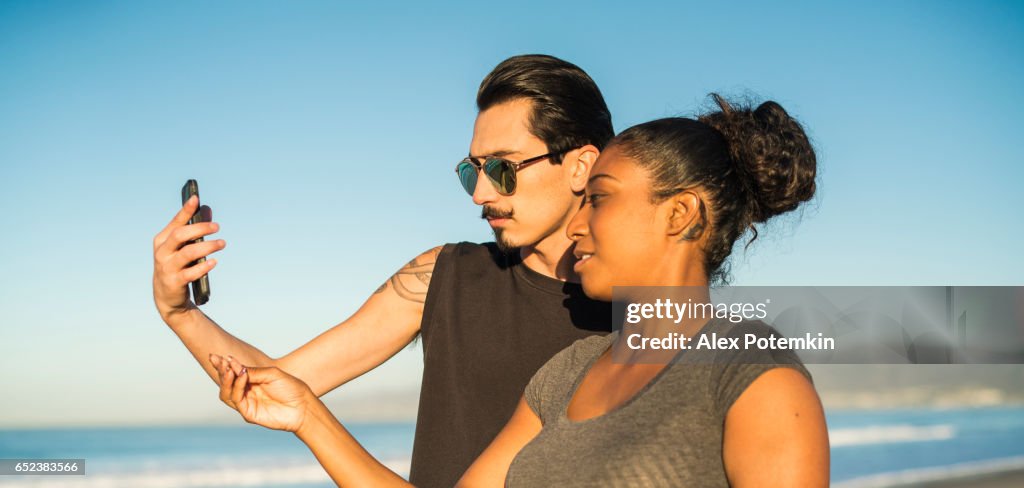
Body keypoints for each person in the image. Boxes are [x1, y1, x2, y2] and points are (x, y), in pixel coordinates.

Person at [210, 94, 830, 486]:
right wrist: (310, 418)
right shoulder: (566, 375)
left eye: (601, 201)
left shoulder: (751, 374)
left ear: (681, 215)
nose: (579, 223)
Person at [151, 54, 615, 487]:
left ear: (581, 166)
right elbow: (272, 385)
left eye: (503, 168)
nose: (480, 194)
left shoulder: (656, 309)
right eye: (473, 171)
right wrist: (179, 312)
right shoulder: (442, 274)